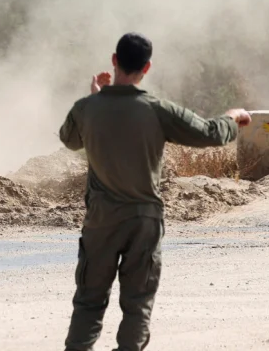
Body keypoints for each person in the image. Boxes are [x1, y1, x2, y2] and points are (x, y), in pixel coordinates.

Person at [59, 33, 252, 351]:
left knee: (89, 302)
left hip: (101, 221)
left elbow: (70, 139)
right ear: (146, 67)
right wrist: (233, 117)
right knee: (137, 305)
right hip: (143, 221)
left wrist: (95, 97)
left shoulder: (86, 108)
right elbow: (210, 133)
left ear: (114, 60)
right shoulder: (157, 110)